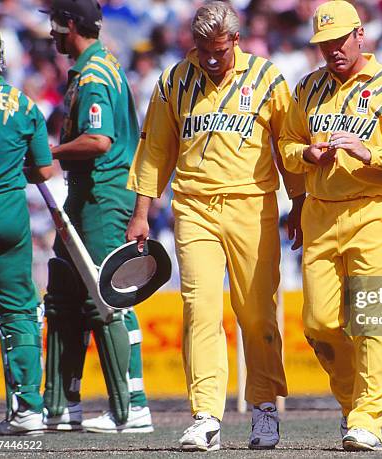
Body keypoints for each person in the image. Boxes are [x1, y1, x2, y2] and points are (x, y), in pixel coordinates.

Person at [126, 1, 305, 451]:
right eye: (202, 48)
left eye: (219, 50)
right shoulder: (173, 81)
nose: (210, 58)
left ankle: (264, 408)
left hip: (253, 206)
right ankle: (205, 416)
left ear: (236, 41)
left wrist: (299, 203)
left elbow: (288, 144)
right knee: (199, 310)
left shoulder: (267, 78)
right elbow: (155, 150)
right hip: (194, 208)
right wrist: (141, 212)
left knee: (257, 313)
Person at [279, 1, 382, 451]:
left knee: (372, 320)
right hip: (320, 212)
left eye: (339, 40)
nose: (332, 50)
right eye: (323, 43)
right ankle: (351, 405)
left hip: (372, 211)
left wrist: (370, 153)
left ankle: (368, 417)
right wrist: (307, 155)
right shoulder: (307, 88)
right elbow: (285, 142)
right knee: (319, 323)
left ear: (360, 35)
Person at [40, 0, 153, 432]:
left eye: (56, 25)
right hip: (86, 194)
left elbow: (99, 139)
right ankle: (64, 404)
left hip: (102, 194)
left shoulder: (93, 73)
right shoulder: (97, 65)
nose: (52, 34)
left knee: (109, 293)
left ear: (71, 24)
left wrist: (47, 152)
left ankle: (133, 404)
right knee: (65, 295)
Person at [0, 20, 53, 435]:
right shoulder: (23, 104)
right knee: (20, 311)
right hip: (9, 215)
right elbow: (43, 169)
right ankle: (28, 409)